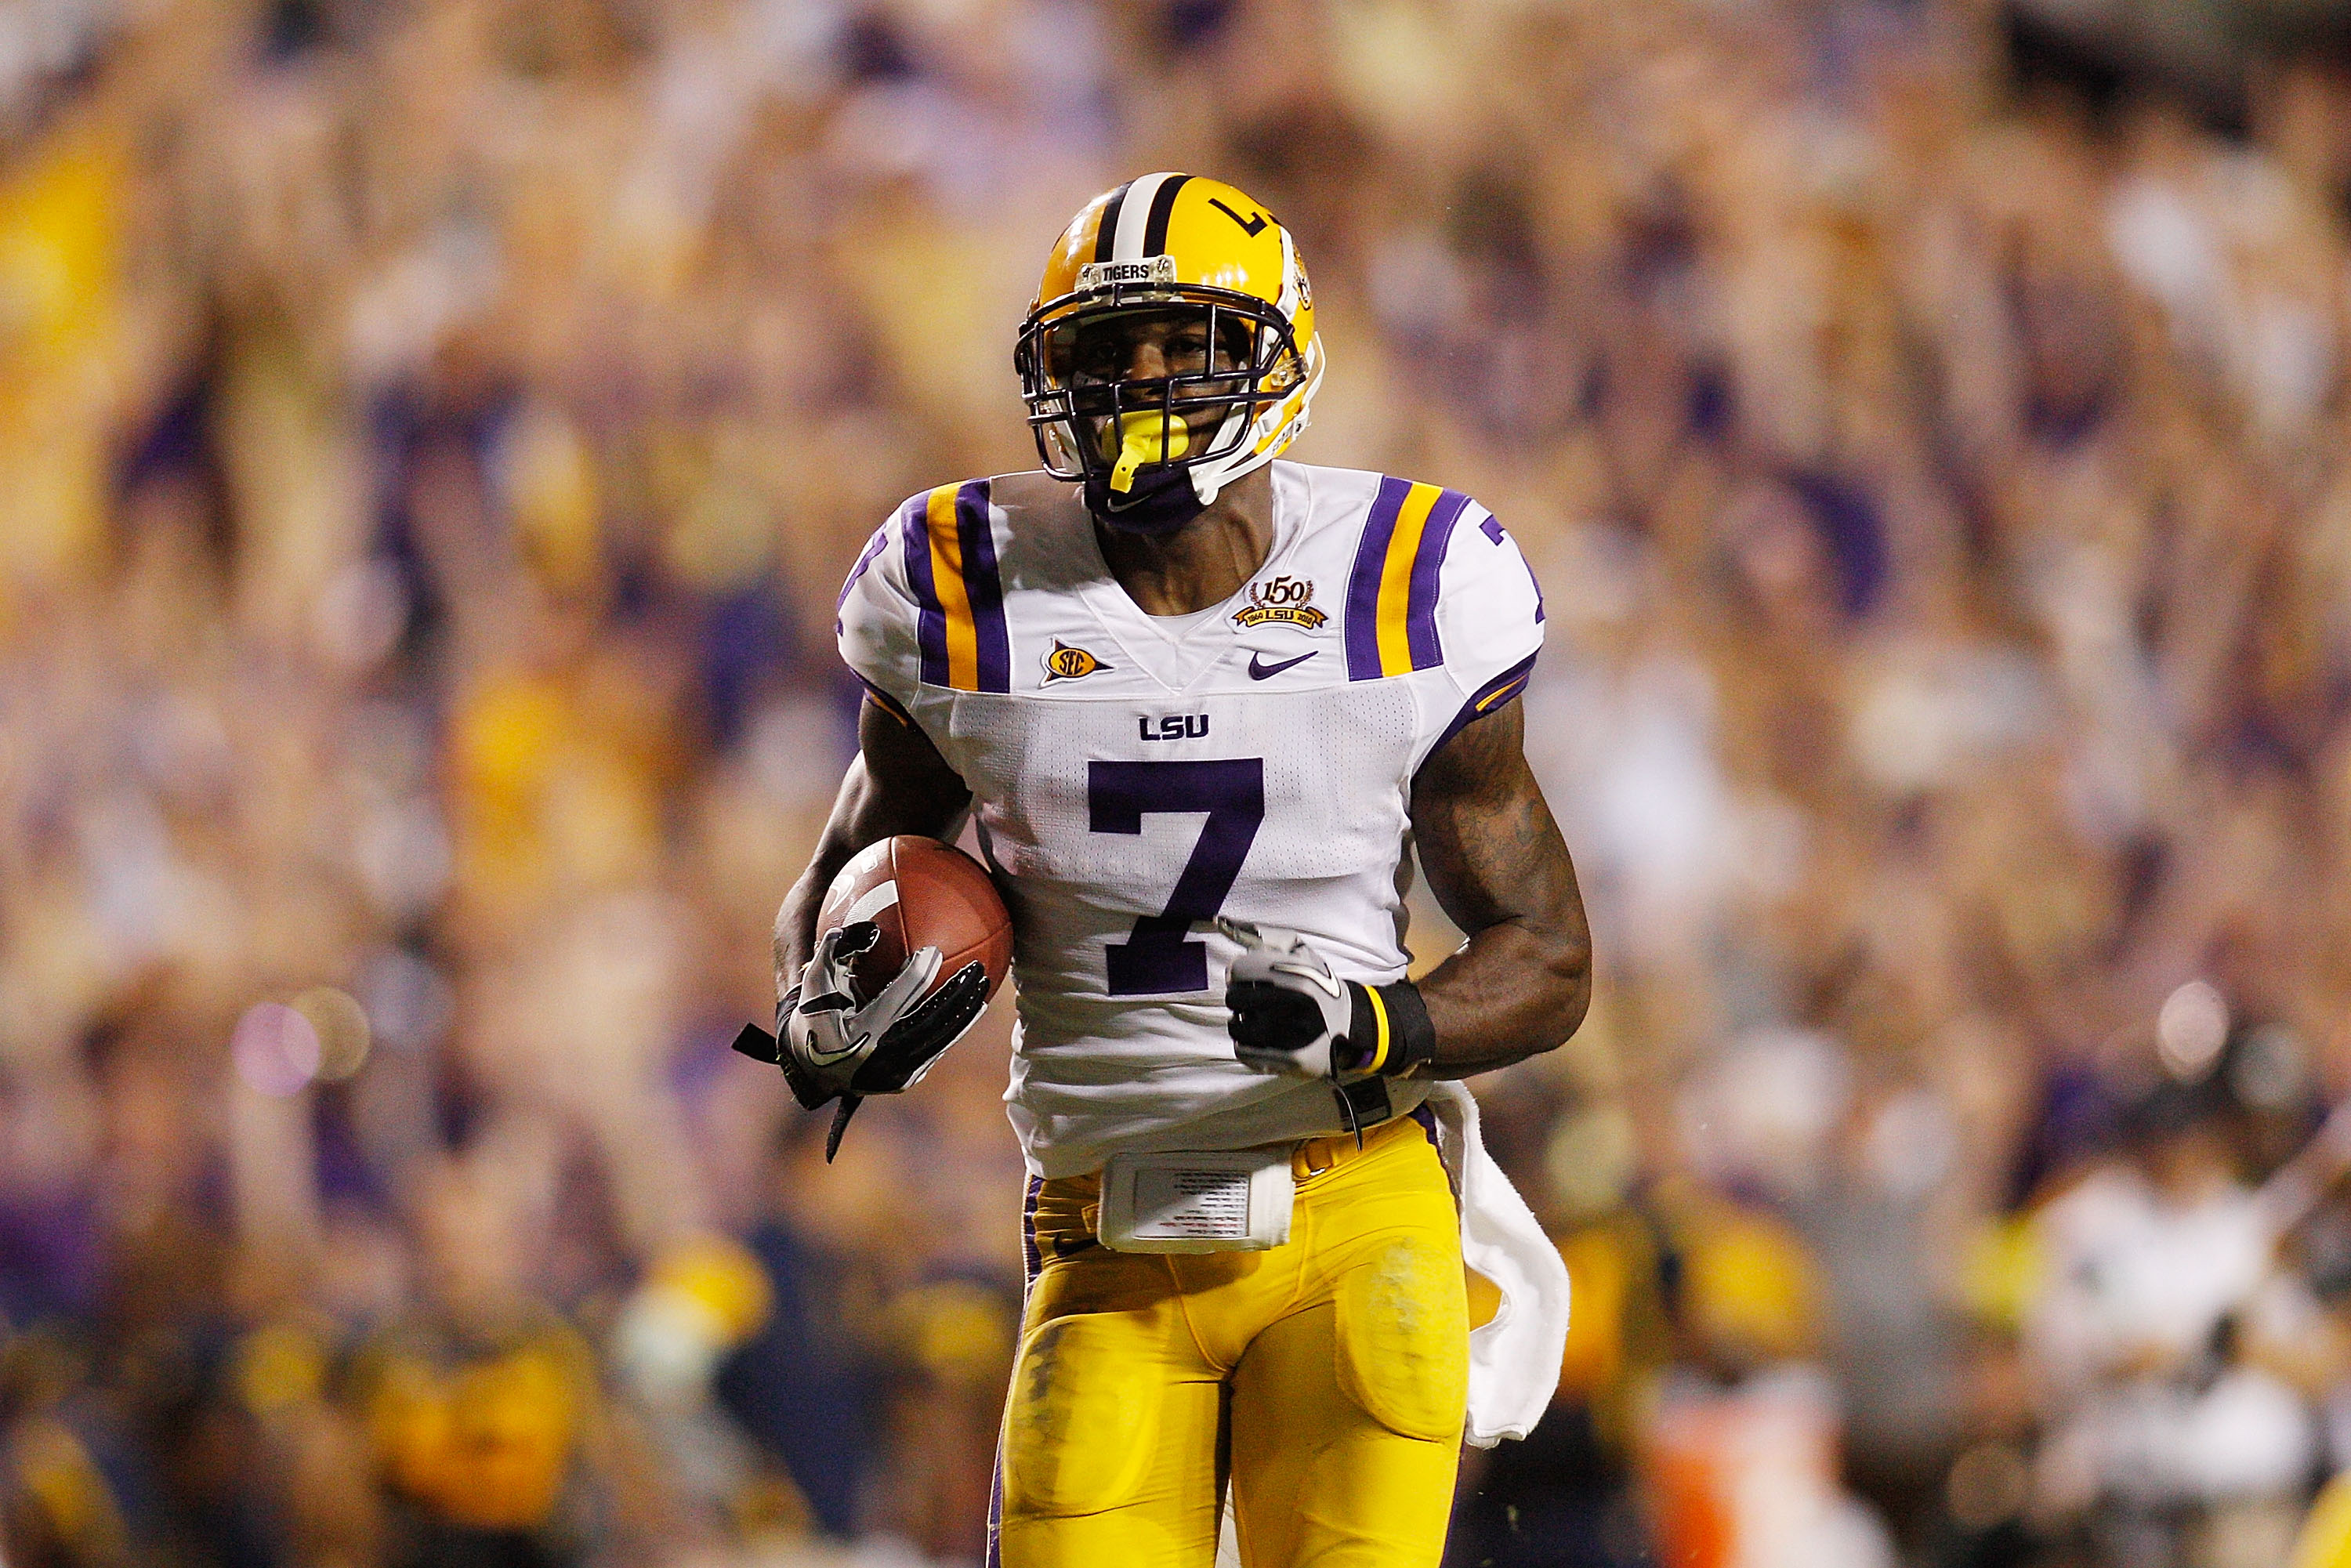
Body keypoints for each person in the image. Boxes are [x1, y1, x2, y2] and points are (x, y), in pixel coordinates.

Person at [755, 173, 1592, 1568]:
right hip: (1106, 1231)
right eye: (1103, 348)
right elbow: (848, 872)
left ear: (1277, 356)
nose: (1141, 380)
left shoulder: (1406, 581)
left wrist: (1386, 1024)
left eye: (1185, 341)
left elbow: (1549, 952)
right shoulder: (962, 582)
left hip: (1349, 1197)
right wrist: (820, 1017)